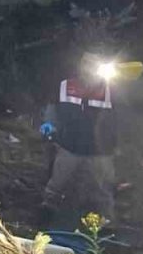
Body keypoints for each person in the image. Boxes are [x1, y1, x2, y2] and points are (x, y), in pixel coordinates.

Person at [39, 57, 119, 225]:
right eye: (85, 66)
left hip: (100, 151)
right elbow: (53, 107)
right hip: (69, 145)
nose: (88, 70)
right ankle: (45, 214)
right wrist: (49, 123)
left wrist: (119, 141)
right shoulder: (65, 86)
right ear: (80, 67)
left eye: (93, 66)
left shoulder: (111, 91)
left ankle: (108, 225)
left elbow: (121, 117)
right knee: (56, 183)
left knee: (103, 189)